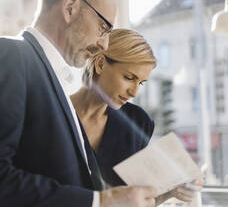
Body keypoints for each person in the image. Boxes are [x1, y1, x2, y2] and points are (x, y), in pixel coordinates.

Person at [0, 0, 157, 207]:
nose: (104, 44)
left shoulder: (54, 83)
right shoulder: (8, 55)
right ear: (70, 7)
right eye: (104, 28)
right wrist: (101, 202)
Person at [71, 28, 203, 206]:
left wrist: (171, 191)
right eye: (128, 77)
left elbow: (137, 201)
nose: (134, 92)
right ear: (100, 63)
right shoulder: (53, 113)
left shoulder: (138, 122)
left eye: (140, 82)